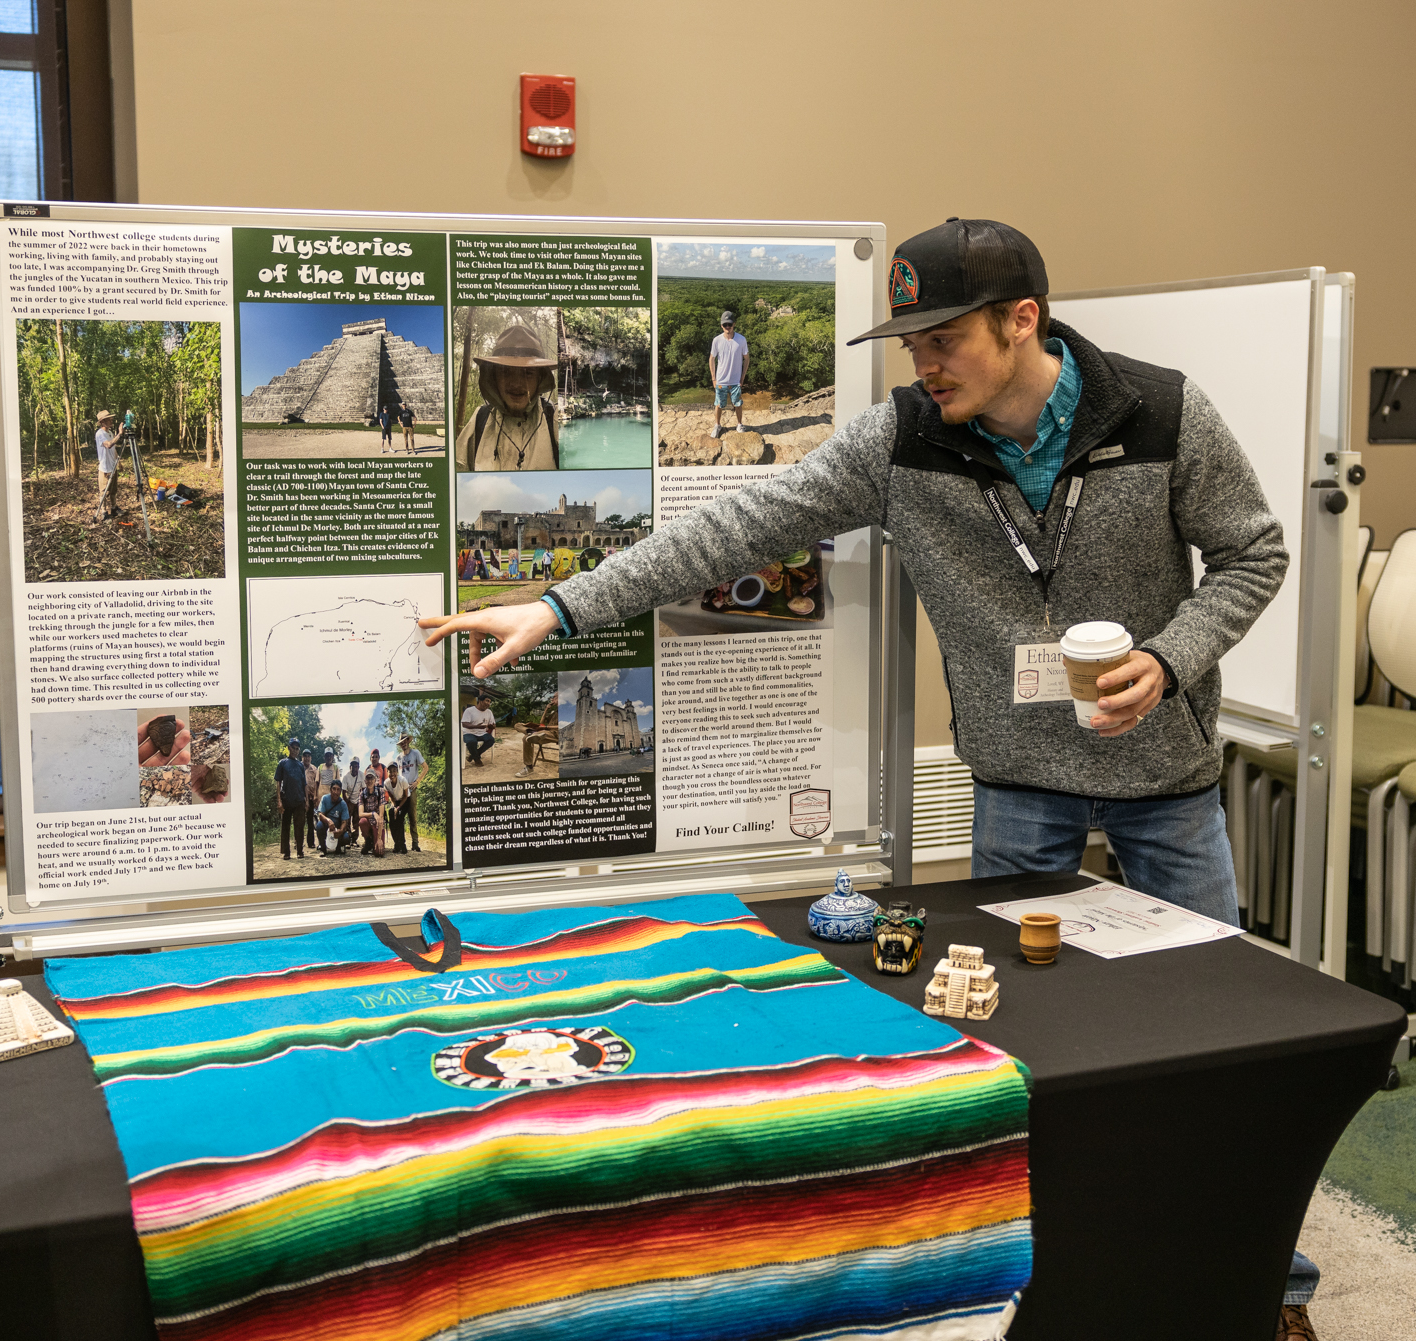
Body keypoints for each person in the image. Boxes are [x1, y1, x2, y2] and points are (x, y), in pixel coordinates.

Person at [420, 217, 1307, 1335]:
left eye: (944, 340)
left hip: (1168, 781)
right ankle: (1054, 1257)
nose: (923, 365)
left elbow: (1255, 553)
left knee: (1225, 1040)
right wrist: (556, 605)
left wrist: (1171, 657)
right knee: (1025, 1045)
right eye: (912, 344)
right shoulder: (903, 441)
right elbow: (735, 526)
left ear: (1022, 321)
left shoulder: (1166, 412)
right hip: (1019, 786)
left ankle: (1269, 1280)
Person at [455, 323, 560, 470]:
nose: (516, 383)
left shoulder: (555, 421)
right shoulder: (479, 419)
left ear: (540, 378)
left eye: (527, 373)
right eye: (506, 372)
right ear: (493, 377)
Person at [709, 310, 748, 440]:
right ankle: (717, 425)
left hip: (736, 380)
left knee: (737, 403)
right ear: (721, 325)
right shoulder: (717, 340)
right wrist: (714, 378)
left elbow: (747, 359)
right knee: (719, 404)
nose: (727, 327)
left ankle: (739, 424)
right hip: (721, 380)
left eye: (729, 324)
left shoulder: (741, 340)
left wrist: (742, 378)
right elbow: (711, 359)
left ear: (734, 324)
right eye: (725, 324)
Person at [273, 737, 310, 860]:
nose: (295, 750)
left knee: (299, 827)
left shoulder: (300, 765)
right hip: (286, 799)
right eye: (293, 748)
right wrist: (279, 801)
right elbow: (278, 782)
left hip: (299, 800)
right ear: (289, 748)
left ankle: (300, 851)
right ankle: (286, 852)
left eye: (297, 748)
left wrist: (307, 801)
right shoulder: (282, 763)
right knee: (285, 826)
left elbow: (304, 784)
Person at [395, 732, 426, 851]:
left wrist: (418, 781)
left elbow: (425, 767)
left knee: (413, 816)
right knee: (401, 817)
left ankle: (415, 843)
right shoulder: (398, 758)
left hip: (412, 789)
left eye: (405, 741)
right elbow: (397, 775)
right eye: (401, 743)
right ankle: (401, 843)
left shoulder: (415, 753)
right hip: (402, 791)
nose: (403, 744)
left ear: (408, 741)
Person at [314, 780, 354, 854]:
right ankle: (322, 848)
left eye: (338, 789)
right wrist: (328, 821)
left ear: (341, 791)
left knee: (346, 837)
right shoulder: (325, 799)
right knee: (319, 825)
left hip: (337, 828)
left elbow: (344, 821)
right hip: (326, 827)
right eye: (334, 789)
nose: (336, 792)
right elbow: (320, 815)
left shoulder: (343, 804)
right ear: (330, 789)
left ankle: (338, 847)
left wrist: (341, 830)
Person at [516, 706, 558, 778]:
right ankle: (530, 732)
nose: (552, 699)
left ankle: (529, 767)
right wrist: (546, 710)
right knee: (518, 725)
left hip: (554, 734)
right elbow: (541, 722)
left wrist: (545, 727)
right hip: (544, 731)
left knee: (525, 738)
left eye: (554, 697)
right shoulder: (554, 712)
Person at [94, 409, 119, 520]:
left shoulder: (110, 433)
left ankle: (114, 508)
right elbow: (108, 444)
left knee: (113, 490)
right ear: (103, 422)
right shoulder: (100, 434)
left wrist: (119, 460)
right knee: (104, 492)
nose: (111, 420)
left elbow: (113, 448)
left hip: (113, 466)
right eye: (109, 419)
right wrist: (120, 434)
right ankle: (104, 512)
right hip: (105, 468)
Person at [384, 761, 413, 853]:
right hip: (395, 800)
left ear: (397, 772)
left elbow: (405, 796)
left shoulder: (403, 780)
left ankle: (402, 844)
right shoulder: (386, 783)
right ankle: (396, 843)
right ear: (387, 772)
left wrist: (398, 808)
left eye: (394, 771)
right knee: (391, 815)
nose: (392, 774)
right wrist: (394, 807)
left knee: (400, 817)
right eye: (390, 771)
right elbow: (391, 796)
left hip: (405, 800)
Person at [461, 692, 497, 767]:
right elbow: (464, 724)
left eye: (490, 702)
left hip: (482, 733)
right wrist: (477, 726)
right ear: (480, 701)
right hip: (469, 732)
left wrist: (492, 726)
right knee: (471, 741)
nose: (488, 703)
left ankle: (473, 755)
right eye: (487, 701)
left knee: (491, 740)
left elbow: (493, 724)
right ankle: (477, 759)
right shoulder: (469, 710)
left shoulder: (489, 712)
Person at [356, 776, 386, 856]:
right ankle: (368, 840)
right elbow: (360, 814)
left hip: (378, 824)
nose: (369, 781)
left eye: (371, 779)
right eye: (368, 779)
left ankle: (375, 839)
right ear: (365, 781)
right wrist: (373, 814)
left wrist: (379, 839)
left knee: (378, 853)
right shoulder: (362, 794)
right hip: (368, 822)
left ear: (375, 780)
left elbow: (381, 816)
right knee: (362, 821)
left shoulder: (380, 791)